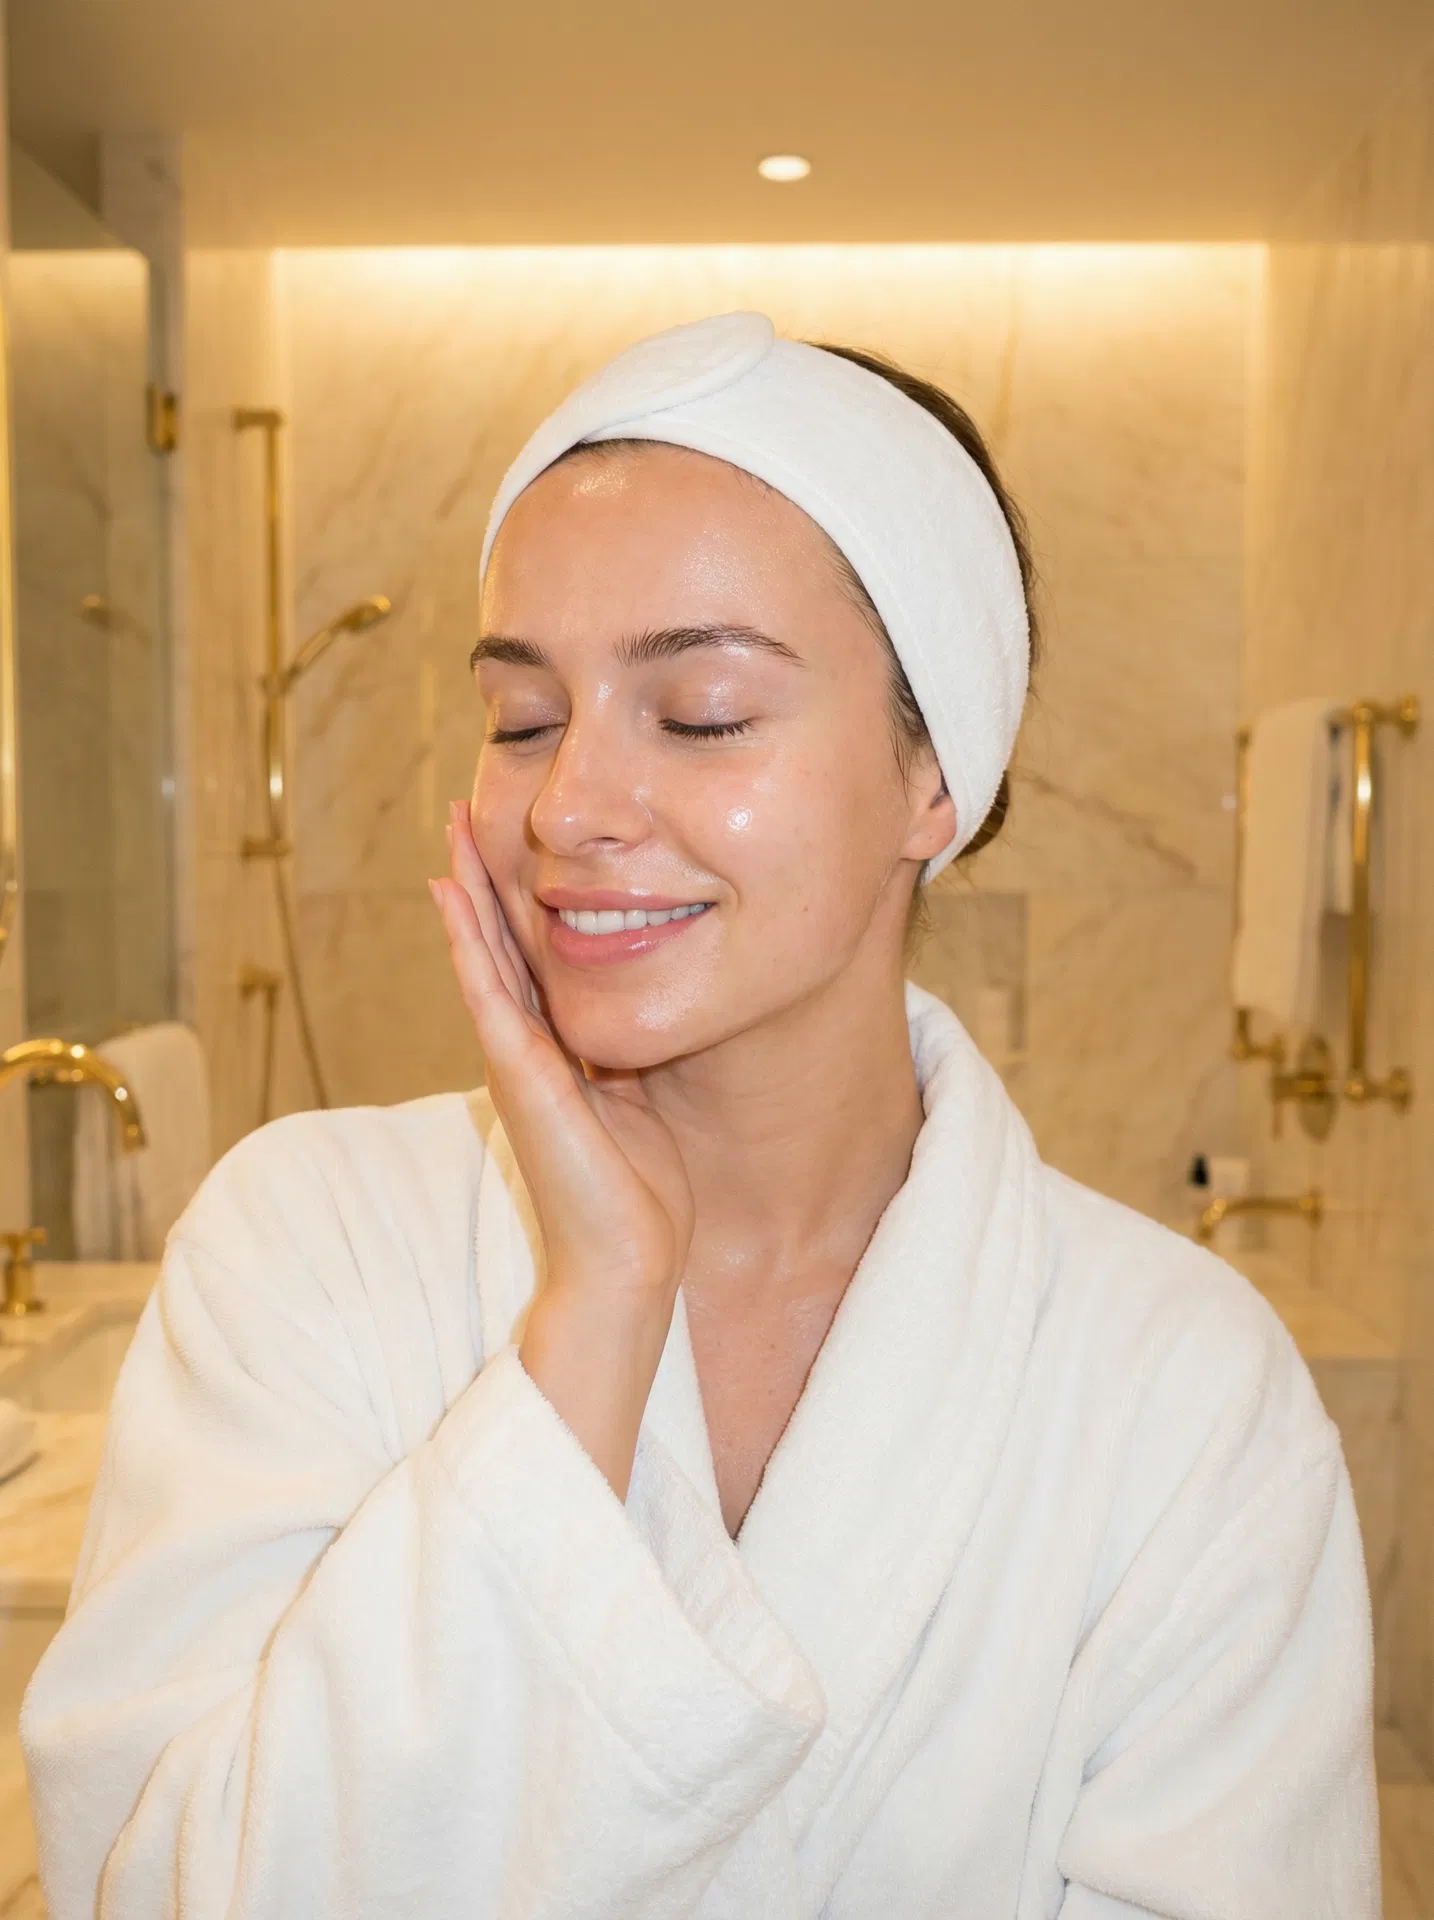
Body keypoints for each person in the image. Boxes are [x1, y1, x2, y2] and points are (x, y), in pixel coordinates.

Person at [22, 313, 1376, 1918]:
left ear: (933, 777)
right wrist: (587, 1326)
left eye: (704, 710)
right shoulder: (302, 1242)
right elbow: (163, 1887)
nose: (568, 805)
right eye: (523, 718)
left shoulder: (1178, 1388)